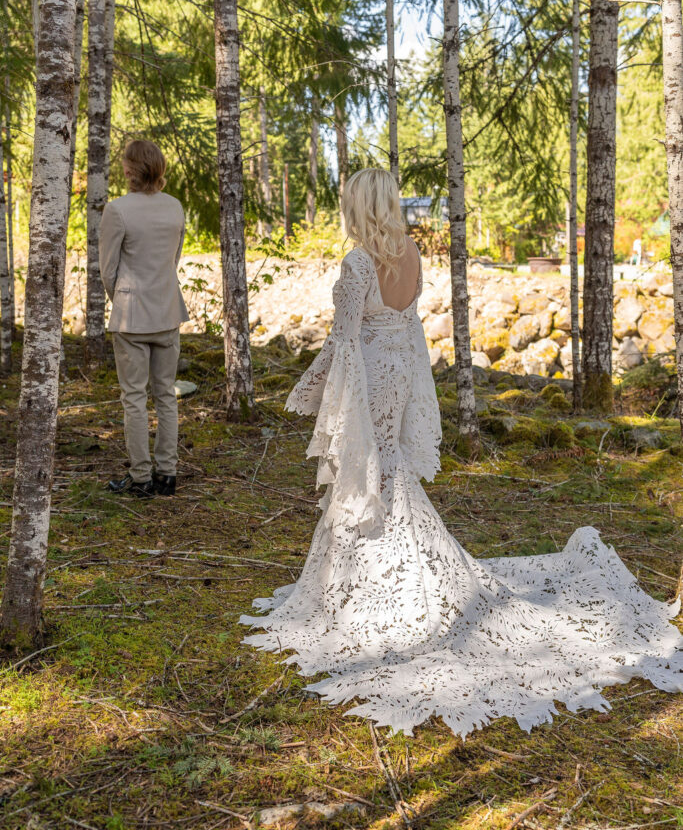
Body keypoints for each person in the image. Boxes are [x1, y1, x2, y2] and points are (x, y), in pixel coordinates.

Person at [241, 167, 683, 738]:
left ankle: (375, 586)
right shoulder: (412, 255)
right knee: (387, 466)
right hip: (400, 371)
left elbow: (343, 339)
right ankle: (387, 570)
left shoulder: (356, 265)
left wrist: (312, 387)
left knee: (370, 470)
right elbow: (407, 323)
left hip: (372, 373)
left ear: (358, 206)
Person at [99, 139, 189, 498]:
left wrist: (123, 300)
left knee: (134, 398)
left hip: (132, 318)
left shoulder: (117, 209)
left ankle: (140, 477)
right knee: (165, 395)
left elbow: (108, 271)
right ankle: (167, 474)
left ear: (129, 169)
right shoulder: (175, 207)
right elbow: (174, 260)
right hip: (168, 312)